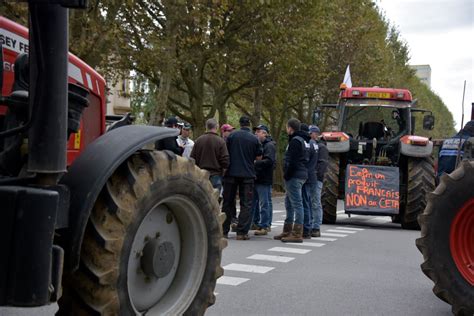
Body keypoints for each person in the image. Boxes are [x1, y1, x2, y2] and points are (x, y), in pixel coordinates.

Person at [222, 116, 262, 240]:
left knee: (228, 202)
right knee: (246, 204)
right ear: (249, 125)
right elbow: (259, 157)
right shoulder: (254, 139)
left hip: (231, 173)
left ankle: (224, 231)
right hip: (247, 174)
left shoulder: (232, 136)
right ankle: (242, 232)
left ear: (239, 124)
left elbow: (226, 153)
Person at [274, 118, 309, 243]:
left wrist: (287, 175)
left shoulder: (295, 141)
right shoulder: (304, 140)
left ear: (290, 128)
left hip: (294, 176)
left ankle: (296, 233)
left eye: (286, 127)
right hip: (302, 173)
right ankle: (287, 229)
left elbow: (292, 161)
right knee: (289, 203)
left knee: (297, 204)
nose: (285, 129)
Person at [190, 118, 229, 191]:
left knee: (201, 198)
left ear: (206, 127)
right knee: (214, 200)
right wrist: (223, 170)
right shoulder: (221, 141)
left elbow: (192, 158)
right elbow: (225, 160)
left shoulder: (198, 140)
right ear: (216, 127)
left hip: (200, 174)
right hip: (215, 175)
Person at [251, 124, 276, 236]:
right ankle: (258, 223)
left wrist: (256, 163)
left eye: (258, 132)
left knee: (264, 203)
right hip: (258, 178)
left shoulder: (269, 146)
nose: (256, 134)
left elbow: (270, 161)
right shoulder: (261, 145)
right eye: (255, 132)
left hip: (264, 178)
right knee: (258, 202)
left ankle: (264, 225)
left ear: (265, 133)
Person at [300, 124, 318, 239]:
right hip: (313, 175)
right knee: (310, 203)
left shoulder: (309, 144)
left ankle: (306, 227)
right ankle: (310, 225)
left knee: (305, 202)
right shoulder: (316, 145)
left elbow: (305, 160)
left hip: (307, 176)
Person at [311, 125, 328, 237]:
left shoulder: (321, 148)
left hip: (316, 179)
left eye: (311, 133)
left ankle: (316, 226)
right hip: (313, 178)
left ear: (316, 134)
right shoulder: (316, 145)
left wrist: (316, 175)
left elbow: (322, 164)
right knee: (312, 201)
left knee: (316, 202)